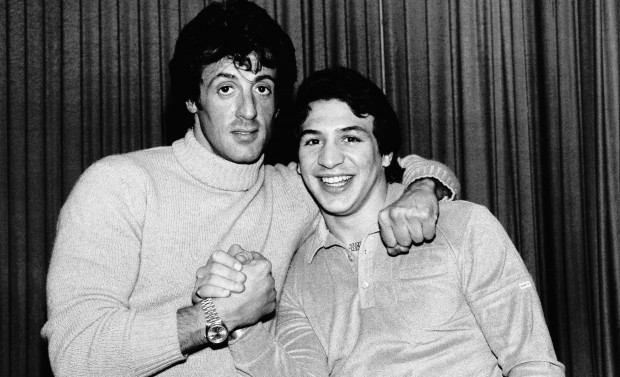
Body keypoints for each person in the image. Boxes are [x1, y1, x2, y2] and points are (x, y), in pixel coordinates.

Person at [41, 1, 460, 376]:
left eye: (261, 87)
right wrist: (217, 315)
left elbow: (385, 163)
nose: (247, 111)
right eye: (226, 88)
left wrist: (424, 188)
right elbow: (77, 356)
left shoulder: (298, 189)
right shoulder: (119, 185)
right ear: (192, 99)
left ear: (278, 102)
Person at [203, 67, 565, 376]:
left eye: (350, 138)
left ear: (387, 152)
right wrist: (239, 322)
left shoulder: (465, 227)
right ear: (298, 160)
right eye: (313, 141)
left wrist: (426, 185)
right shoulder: (300, 271)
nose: (329, 159)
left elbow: (533, 362)